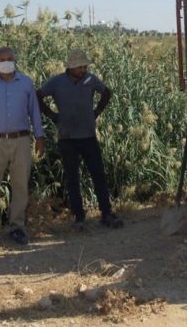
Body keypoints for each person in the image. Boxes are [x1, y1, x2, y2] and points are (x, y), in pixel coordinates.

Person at [37, 49, 123, 230]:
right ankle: (79, 218)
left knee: (98, 175)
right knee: (72, 178)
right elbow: (38, 96)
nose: (83, 69)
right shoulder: (57, 82)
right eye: (80, 67)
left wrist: (97, 112)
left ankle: (106, 214)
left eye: (85, 66)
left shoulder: (90, 80)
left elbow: (106, 92)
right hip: (67, 137)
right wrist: (52, 115)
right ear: (71, 67)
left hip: (88, 136)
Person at [0, 46, 46, 247]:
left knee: (20, 186)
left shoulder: (26, 83)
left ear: (15, 61)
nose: (5, 62)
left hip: (21, 140)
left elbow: (34, 112)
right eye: (2, 59)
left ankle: (17, 227)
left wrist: (40, 136)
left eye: (9, 59)